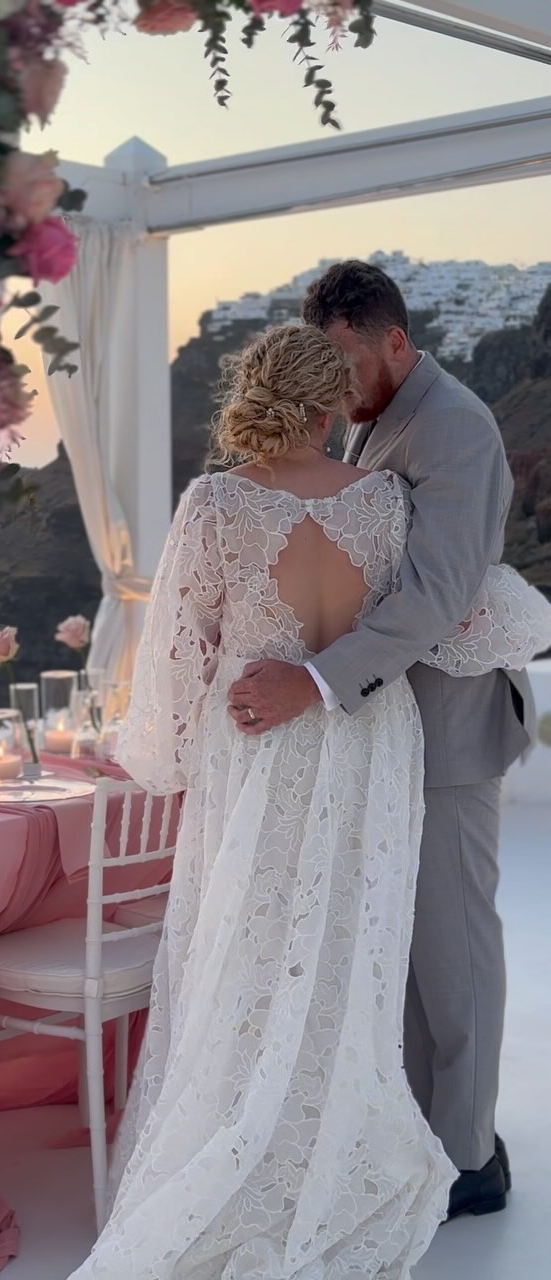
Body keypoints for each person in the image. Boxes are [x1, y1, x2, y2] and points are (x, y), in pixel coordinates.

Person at [69, 323, 551, 1280]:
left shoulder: (213, 504)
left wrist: (156, 750)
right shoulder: (381, 500)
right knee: (348, 943)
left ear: (251, 395)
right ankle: (342, 1129)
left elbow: (179, 652)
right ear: (331, 401)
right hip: (369, 747)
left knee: (248, 941)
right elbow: (473, 614)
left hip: (259, 749)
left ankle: (250, 1132)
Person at [227, 260, 537, 1220]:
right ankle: (424, 1139)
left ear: (396, 341)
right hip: (385, 731)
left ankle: (471, 1161)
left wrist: (315, 679)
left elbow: (440, 596)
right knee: (401, 951)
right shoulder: (369, 409)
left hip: (447, 731)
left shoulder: (456, 428)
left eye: (348, 361)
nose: (336, 384)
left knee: (454, 957)